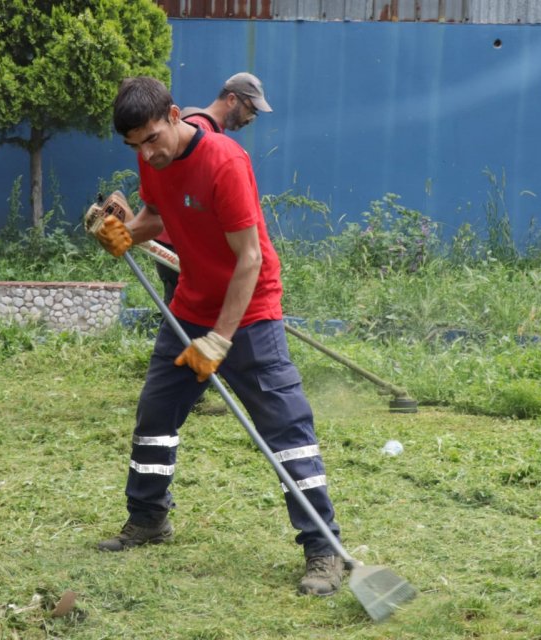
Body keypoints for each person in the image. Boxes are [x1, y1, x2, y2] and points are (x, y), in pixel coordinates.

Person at [90, 76, 344, 597]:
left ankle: (322, 549)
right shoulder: (151, 158)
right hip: (190, 307)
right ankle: (149, 519)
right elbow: (157, 216)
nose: (147, 152)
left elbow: (249, 258)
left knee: (287, 430)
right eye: (135, 145)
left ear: (175, 115)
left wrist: (220, 340)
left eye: (152, 139)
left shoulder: (225, 162)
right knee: (156, 416)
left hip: (249, 313)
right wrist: (123, 234)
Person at [155, 72, 274, 304]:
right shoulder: (197, 128)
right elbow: (185, 192)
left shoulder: (210, 131)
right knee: (187, 317)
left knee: (185, 315)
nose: (251, 118)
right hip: (179, 243)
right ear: (232, 100)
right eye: (251, 109)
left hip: (183, 242)